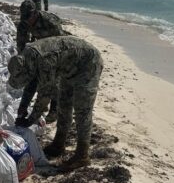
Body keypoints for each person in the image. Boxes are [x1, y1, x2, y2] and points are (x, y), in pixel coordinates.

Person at [8, 36, 103, 172]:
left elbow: (45, 95)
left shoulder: (44, 60)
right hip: (67, 69)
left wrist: (30, 120)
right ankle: (59, 144)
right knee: (63, 105)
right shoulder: (27, 60)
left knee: (82, 110)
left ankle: (82, 155)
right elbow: (31, 85)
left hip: (88, 64)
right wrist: (22, 109)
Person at [15, 0, 67, 124]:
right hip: (39, 47)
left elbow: (61, 44)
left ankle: (54, 109)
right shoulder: (24, 22)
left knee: (54, 79)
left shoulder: (50, 22)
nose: (27, 20)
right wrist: (24, 62)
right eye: (25, 17)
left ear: (35, 13)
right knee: (32, 77)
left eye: (29, 17)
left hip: (58, 47)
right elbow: (21, 45)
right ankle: (23, 108)